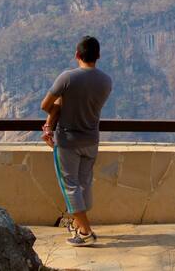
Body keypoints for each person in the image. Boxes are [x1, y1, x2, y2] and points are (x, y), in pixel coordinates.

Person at [40, 36, 113, 246]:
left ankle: (85, 231)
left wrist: (56, 112)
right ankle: (80, 223)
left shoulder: (67, 78)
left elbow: (45, 105)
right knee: (84, 184)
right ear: (98, 56)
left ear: (77, 55)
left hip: (68, 141)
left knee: (69, 186)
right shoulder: (106, 81)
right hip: (91, 140)